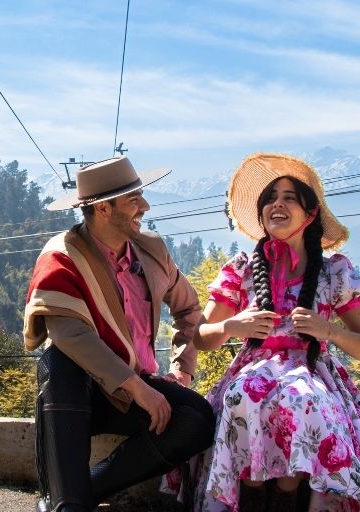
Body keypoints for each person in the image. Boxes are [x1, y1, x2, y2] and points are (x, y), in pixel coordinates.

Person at [161, 153, 360, 511]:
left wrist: (328, 331)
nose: (277, 204)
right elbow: (202, 336)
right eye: (270, 198)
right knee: (245, 395)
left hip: (312, 367)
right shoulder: (242, 269)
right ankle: (255, 494)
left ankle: (288, 496)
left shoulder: (334, 271)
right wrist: (232, 325)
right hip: (251, 368)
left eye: (290, 197)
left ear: (310, 213)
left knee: (304, 398)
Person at [24, 156, 216, 512]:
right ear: (102, 208)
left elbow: (189, 310)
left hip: (133, 392)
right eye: (133, 200)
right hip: (80, 393)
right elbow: (68, 332)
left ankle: (81, 495)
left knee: (198, 419)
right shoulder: (62, 256)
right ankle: (69, 502)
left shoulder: (152, 251)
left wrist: (182, 369)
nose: (144, 206)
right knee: (60, 360)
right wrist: (136, 385)